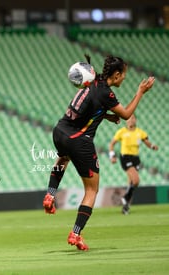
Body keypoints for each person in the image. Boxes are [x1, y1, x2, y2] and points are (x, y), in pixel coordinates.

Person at [42, 54, 155, 251]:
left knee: (63, 158)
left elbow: (91, 105)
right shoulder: (106, 93)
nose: (125, 78)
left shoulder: (94, 81)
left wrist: (107, 116)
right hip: (79, 140)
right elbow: (127, 114)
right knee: (92, 190)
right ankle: (76, 233)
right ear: (117, 74)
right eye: (124, 75)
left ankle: (50, 195)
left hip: (60, 130)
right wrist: (141, 92)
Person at [108, 113, 158, 215]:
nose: (130, 120)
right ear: (126, 121)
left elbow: (146, 142)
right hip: (125, 157)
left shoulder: (140, 132)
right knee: (136, 180)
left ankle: (125, 206)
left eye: (133, 118)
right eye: (129, 119)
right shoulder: (121, 132)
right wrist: (112, 156)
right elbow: (112, 144)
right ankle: (125, 198)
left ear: (135, 120)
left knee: (131, 183)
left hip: (136, 158)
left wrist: (152, 146)